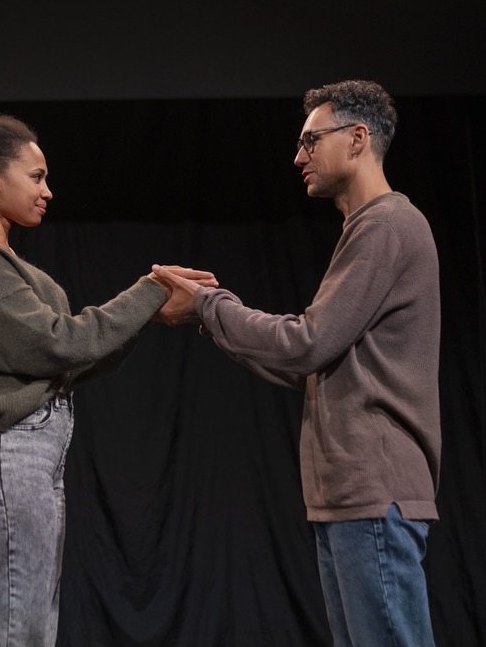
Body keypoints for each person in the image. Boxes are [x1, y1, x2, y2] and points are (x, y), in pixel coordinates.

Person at [152, 80, 440, 646]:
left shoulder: (386, 226)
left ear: (358, 139)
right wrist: (207, 319)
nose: (298, 155)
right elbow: (309, 363)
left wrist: (210, 305)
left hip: (373, 492)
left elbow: (307, 343)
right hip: (347, 497)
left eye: (311, 140)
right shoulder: (365, 229)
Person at [0, 88, 211, 646]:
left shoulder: (27, 276)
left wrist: (146, 314)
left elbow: (75, 359)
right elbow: (60, 344)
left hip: (24, 456)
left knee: (24, 634)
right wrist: (148, 292)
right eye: (37, 176)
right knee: (11, 637)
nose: (48, 191)